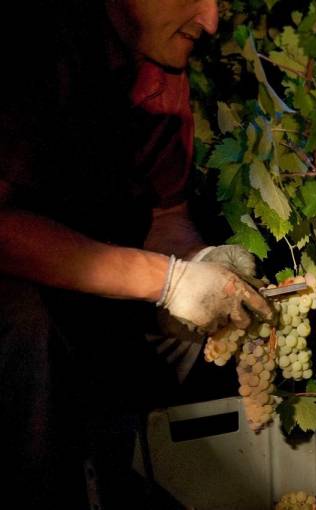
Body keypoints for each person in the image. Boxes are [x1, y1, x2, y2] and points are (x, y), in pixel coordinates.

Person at [0, 1, 272, 507]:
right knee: (25, 326)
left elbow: (166, 215)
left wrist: (197, 261)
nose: (210, 21)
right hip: (22, 306)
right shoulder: (28, 47)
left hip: (82, 287)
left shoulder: (160, 64)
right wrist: (165, 282)